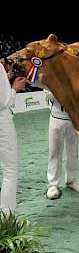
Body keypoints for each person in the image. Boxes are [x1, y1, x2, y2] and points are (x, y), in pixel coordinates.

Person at [45, 90, 79, 199]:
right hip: (56, 116)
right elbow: (49, 93)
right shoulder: (52, 75)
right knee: (54, 151)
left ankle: (72, 180)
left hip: (74, 117)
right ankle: (53, 185)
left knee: (73, 151)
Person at [0, 61, 26, 213]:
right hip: (2, 120)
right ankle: (7, 216)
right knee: (10, 169)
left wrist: (7, 75)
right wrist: (15, 89)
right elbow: (4, 101)